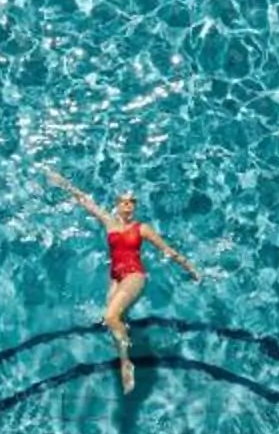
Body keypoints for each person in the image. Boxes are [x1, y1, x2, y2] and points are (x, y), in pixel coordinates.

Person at [44, 164, 202, 391]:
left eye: (131, 202)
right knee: (116, 320)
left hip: (134, 276)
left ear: (134, 207)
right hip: (115, 277)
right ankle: (129, 348)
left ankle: (126, 364)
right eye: (124, 202)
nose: (128, 205)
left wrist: (189, 267)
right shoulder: (109, 222)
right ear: (117, 205)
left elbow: (167, 250)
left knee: (110, 316)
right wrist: (61, 182)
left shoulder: (142, 228)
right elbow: (85, 201)